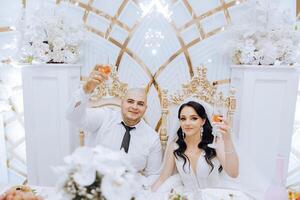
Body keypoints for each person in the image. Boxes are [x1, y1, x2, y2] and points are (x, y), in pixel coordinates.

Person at [66, 64, 162, 178]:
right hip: (96, 183)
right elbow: (72, 116)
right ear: (122, 103)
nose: (135, 107)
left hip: (131, 190)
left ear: (145, 108)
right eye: (130, 101)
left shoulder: (152, 138)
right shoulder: (104, 117)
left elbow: (153, 175)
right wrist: (85, 90)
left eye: (140, 104)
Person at [151, 101, 239, 193]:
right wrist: (148, 196)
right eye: (183, 119)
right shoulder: (174, 146)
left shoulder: (215, 143)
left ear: (203, 121)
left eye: (194, 118)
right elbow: (162, 178)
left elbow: (233, 173)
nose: (187, 123)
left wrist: (228, 140)